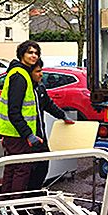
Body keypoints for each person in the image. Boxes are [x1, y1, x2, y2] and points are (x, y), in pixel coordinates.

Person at [0, 40, 42, 196]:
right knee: (21, 169)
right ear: (22, 55)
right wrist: (28, 134)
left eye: (36, 53)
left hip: (13, 132)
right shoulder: (20, 76)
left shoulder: (19, 73)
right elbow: (14, 110)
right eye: (30, 52)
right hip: (17, 133)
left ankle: (5, 204)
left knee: (11, 167)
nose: (33, 56)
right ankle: (14, 206)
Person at [27, 59, 75, 191]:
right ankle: (30, 199)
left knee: (43, 166)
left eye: (41, 70)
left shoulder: (40, 86)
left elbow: (48, 104)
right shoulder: (24, 88)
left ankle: (36, 195)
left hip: (40, 136)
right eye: (38, 71)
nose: (41, 74)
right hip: (28, 138)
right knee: (31, 171)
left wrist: (62, 116)